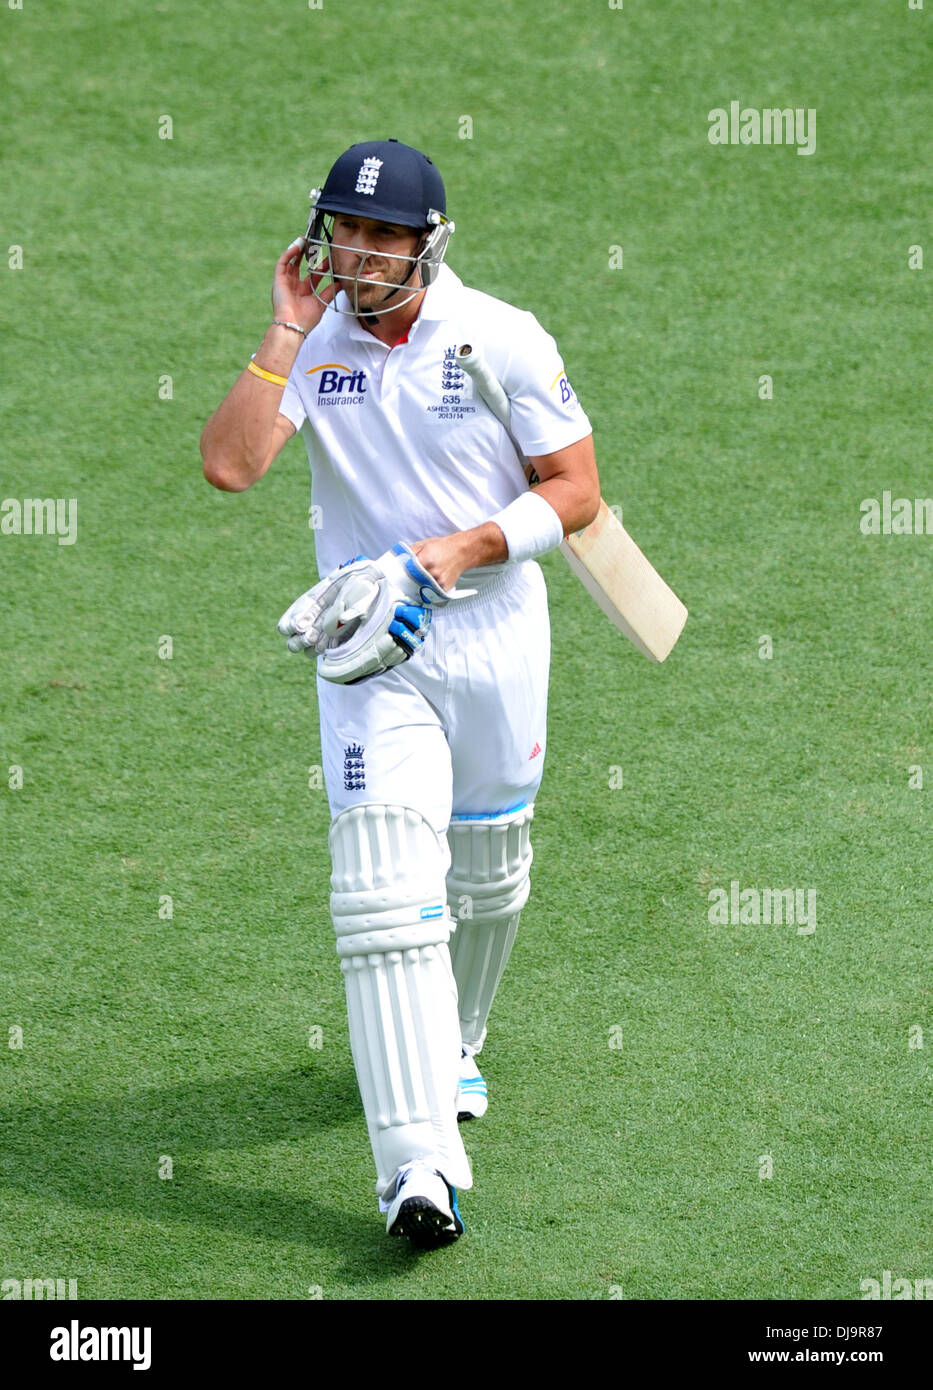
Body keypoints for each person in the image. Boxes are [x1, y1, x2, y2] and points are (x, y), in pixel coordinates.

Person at [200, 139, 600, 1249]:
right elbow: (231, 465)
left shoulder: (500, 339)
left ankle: (456, 1040)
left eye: (384, 236)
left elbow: (575, 492)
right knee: (383, 893)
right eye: (344, 231)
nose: (361, 255)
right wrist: (285, 326)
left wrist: (468, 546)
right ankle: (417, 1165)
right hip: (374, 651)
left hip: (498, 640)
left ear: (428, 243)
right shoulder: (315, 349)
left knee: (490, 875)